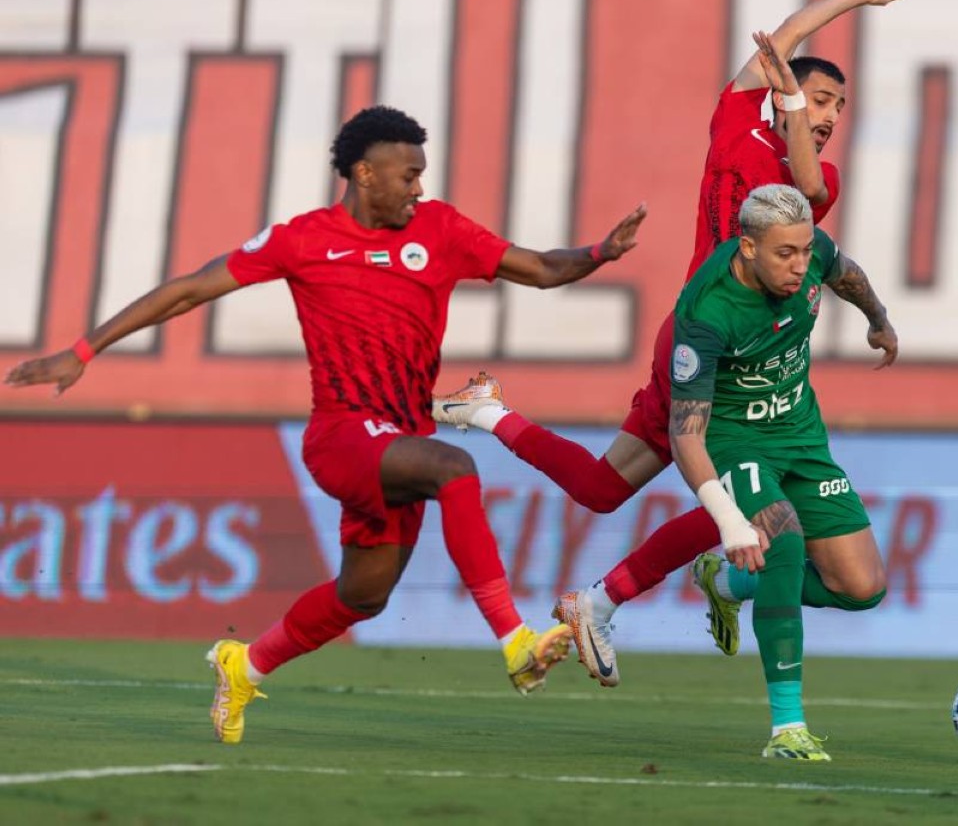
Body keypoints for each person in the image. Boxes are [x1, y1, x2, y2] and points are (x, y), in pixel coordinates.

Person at [4, 105, 647, 744]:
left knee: (362, 596)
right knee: (455, 467)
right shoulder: (302, 239)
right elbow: (191, 288)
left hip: (401, 438)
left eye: (422, 174)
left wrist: (600, 252)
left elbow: (542, 268)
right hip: (342, 435)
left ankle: (243, 665)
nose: (419, 187)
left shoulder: (441, 229)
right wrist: (84, 350)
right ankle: (515, 641)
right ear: (364, 173)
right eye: (408, 175)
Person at [433, 0, 904, 689]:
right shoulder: (736, 119)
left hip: (742, 352)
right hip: (705, 339)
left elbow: (809, 187)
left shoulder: (816, 179)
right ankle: (620, 596)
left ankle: (490, 413)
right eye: (821, 97)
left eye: (840, 105)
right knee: (741, 500)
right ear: (784, 90)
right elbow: (786, 35)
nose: (831, 113)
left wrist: (793, 101)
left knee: (608, 489)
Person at [670, 182, 891, 760]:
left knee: (862, 588)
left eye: (805, 250)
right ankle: (787, 729)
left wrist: (878, 319)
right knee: (784, 542)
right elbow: (684, 434)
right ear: (748, 248)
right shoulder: (707, 310)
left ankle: (724, 582)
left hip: (802, 435)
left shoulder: (811, 254)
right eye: (784, 254)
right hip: (735, 439)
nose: (799, 265)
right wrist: (729, 521)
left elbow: (848, 274)